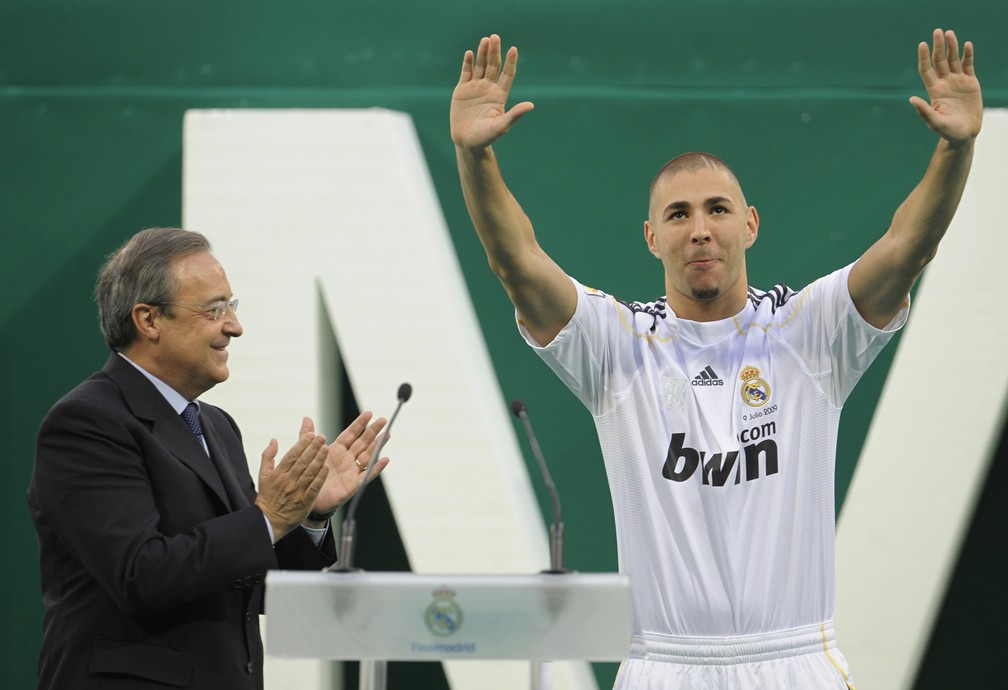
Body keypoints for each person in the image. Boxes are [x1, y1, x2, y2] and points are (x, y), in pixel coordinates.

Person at [450, 29, 981, 688]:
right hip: (663, 665)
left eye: (717, 209)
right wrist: (474, 159)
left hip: (795, 663)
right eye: (677, 214)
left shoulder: (811, 333)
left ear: (750, 224)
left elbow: (909, 247)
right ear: (651, 237)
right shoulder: (618, 350)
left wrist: (955, 148)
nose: (699, 227)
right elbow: (518, 263)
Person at [28, 227, 390, 689]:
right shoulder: (87, 422)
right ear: (149, 320)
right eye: (214, 309)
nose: (234, 326)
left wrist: (308, 516)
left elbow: (251, 587)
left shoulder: (216, 426)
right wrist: (269, 518)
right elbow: (142, 575)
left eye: (231, 306)